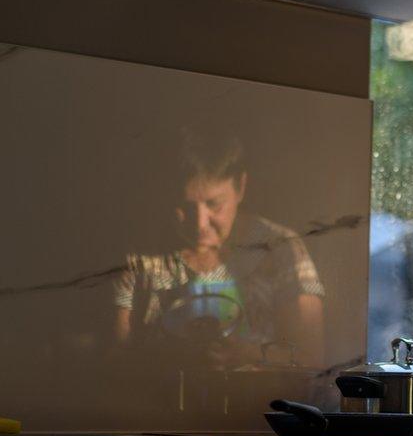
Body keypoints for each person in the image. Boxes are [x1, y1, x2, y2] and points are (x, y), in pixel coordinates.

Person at [114, 130, 326, 367]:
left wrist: (249, 354)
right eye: (185, 207)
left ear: (241, 188)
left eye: (214, 204)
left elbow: (310, 358)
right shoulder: (142, 258)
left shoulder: (280, 249)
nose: (200, 224)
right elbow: (119, 359)